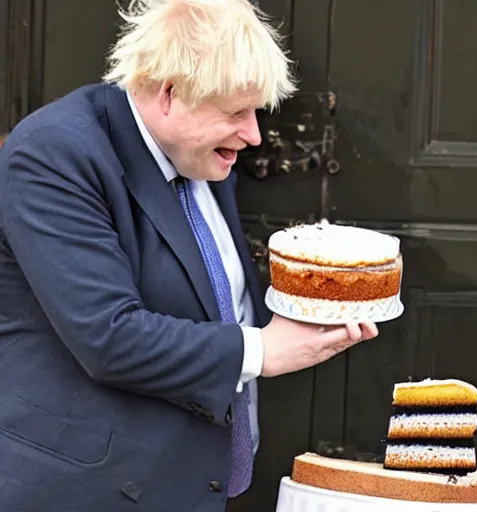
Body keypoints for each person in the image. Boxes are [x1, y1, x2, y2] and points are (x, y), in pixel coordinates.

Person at [0, 0, 379, 510]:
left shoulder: (196, 151)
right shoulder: (54, 153)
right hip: (88, 489)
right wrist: (264, 351)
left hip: (189, 484)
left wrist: (314, 313)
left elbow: (206, 295)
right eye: (235, 113)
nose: (253, 136)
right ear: (169, 94)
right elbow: (109, 336)